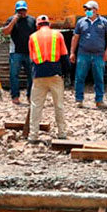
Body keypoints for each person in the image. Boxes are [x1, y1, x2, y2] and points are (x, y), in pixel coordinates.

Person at [27, 15, 71, 143]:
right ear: (49, 24)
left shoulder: (32, 37)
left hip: (39, 74)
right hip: (55, 74)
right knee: (59, 105)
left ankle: (33, 135)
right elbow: (64, 56)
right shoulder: (58, 35)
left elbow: (31, 59)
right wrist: (66, 73)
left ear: (37, 25)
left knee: (36, 106)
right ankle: (62, 133)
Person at [70, 0, 107, 109]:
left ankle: (99, 100)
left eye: (89, 9)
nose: (87, 11)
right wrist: (72, 52)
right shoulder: (81, 22)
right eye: (86, 10)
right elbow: (75, 38)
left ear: (95, 10)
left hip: (98, 55)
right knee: (80, 77)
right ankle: (79, 100)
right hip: (83, 54)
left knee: (99, 78)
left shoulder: (104, 22)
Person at [1, 0, 36, 105]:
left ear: (26, 10)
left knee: (31, 75)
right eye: (19, 11)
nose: (22, 13)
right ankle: (15, 96)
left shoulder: (32, 20)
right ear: (16, 11)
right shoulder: (11, 20)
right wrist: (13, 22)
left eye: (23, 10)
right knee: (14, 75)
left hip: (29, 52)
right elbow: (5, 32)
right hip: (16, 52)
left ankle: (30, 96)